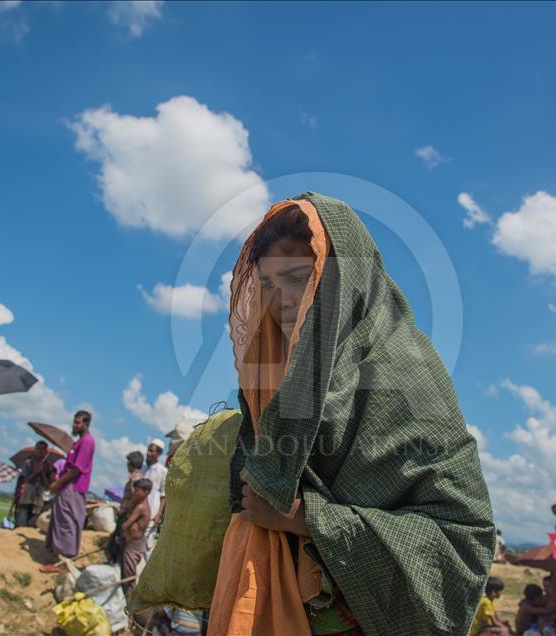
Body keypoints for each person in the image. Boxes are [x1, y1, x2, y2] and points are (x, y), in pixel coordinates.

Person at [209, 194, 495, 635]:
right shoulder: (282, 380)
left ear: (343, 281)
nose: (279, 299)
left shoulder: (407, 374)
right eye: (267, 283)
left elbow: (461, 539)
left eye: (297, 278)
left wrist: (306, 519)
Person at [42, 410, 96, 570]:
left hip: (74, 486)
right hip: (68, 485)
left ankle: (64, 559)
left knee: (68, 521)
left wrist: (57, 484)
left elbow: (77, 469)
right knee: (61, 518)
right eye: (74, 422)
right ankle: (56, 555)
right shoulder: (78, 442)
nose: (75, 425)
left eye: (78, 423)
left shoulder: (87, 442)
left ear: (86, 424)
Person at [120, 477, 153, 594]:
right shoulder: (139, 504)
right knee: (126, 573)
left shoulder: (141, 507)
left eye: (137, 490)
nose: (135, 492)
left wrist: (126, 526)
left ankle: (131, 605)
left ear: (146, 492)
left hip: (134, 545)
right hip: (134, 542)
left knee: (129, 576)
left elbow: (125, 525)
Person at [14, 441, 55, 528]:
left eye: (43, 449)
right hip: (26, 498)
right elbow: (24, 479)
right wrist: (36, 472)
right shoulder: (28, 462)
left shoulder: (49, 466)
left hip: (39, 501)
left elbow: (49, 485)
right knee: (21, 524)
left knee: (33, 526)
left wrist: (43, 473)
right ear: (35, 450)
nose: (40, 451)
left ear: (46, 452)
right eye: (38, 448)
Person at [143, 439, 167, 534]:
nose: (148, 453)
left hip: (153, 511)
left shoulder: (162, 471)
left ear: (159, 453)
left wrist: (159, 514)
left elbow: (163, 495)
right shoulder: (143, 467)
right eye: (148, 450)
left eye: (152, 451)